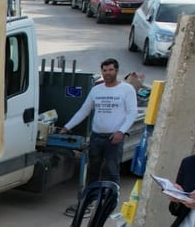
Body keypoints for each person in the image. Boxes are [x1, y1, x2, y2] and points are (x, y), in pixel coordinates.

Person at [57, 58, 138, 186]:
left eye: (110, 70)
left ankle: (110, 201)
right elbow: (84, 111)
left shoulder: (127, 89)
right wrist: (67, 127)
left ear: (116, 71)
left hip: (113, 138)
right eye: (104, 70)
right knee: (93, 171)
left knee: (112, 171)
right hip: (96, 137)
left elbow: (132, 113)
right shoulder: (96, 90)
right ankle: (91, 199)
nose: (107, 73)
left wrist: (121, 132)